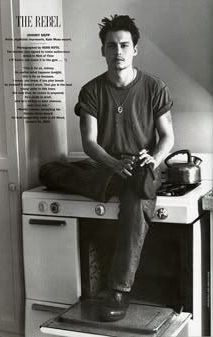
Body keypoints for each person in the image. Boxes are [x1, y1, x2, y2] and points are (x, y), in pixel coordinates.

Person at [39, 14, 174, 322]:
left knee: (138, 192)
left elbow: (167, 138)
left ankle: (118, 291)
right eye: (111, 46)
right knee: (47, 172)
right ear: (103, 50)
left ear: (135, 49)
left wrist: (154, 158)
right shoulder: (91, 91)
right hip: (105, 167)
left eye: (124, 45)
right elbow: (89, 143)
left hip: (140, 167)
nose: (118, 52)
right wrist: (114, 165)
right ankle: (114, 184)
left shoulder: (154, 87)